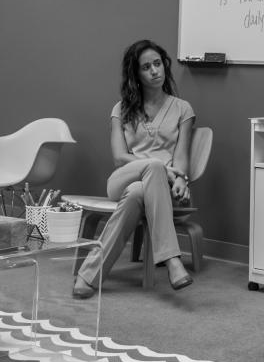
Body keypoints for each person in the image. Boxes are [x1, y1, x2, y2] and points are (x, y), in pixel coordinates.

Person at [73, 39, 195, 297]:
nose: (155, 71)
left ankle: (89, 275)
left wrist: (181, 178)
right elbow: (119, 157)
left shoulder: (183, 109)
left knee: (137, 195)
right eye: (146, 67)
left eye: (158, 64)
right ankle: (173, 259)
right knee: (152, 167)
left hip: (161, 188)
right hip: (122, 179)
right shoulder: (121, 109)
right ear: (135, 74)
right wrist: (164, 168)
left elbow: (182, 155)